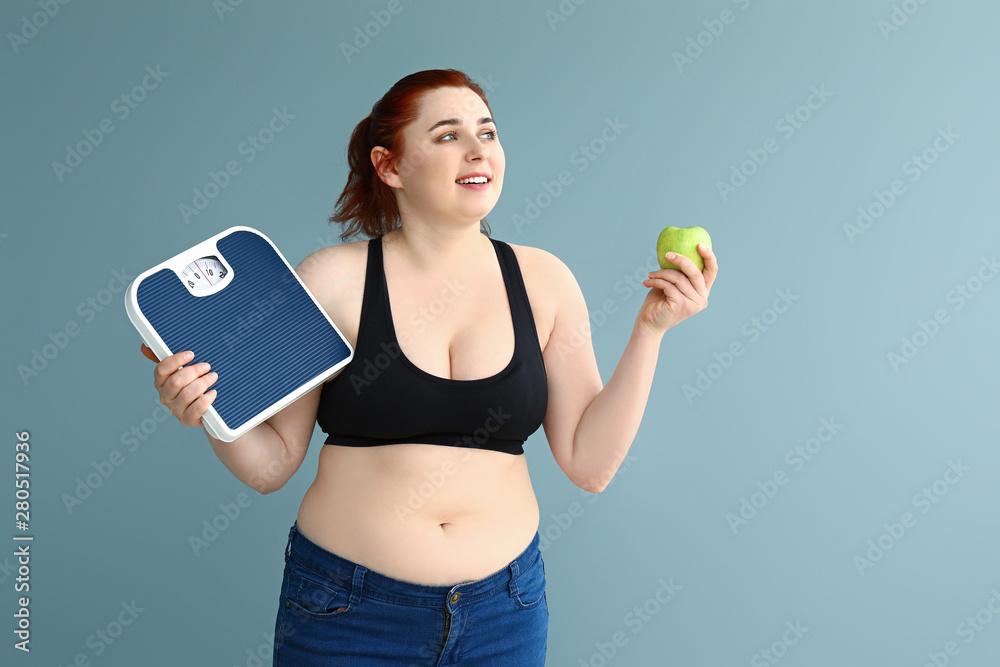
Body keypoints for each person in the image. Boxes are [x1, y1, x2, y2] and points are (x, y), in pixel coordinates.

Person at [141, 68, 718, 666]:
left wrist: (650, 332)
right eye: (447, 136)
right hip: (348, 612)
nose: (478, 150)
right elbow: (272, 465)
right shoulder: (331, 282)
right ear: (390, 166)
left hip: (505, 612)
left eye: (487, 132)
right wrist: (207, 410)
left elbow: (589, 463)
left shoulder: (546, 281)